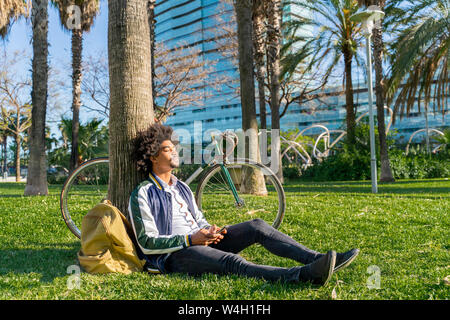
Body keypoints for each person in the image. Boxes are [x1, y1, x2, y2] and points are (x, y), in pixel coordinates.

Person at [127, 124, 359, 286]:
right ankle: (303, 276)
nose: (175, 152)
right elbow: (147, 243)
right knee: (233, 263)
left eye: (174, 147)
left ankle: (316, 259)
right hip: (175, 256)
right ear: (153, 158)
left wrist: (210, 232)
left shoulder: (182, 187)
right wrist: (190, 239)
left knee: (256, 225)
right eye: (168, 149)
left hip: (200, 242)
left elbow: (198, 219)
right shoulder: (143, 193)